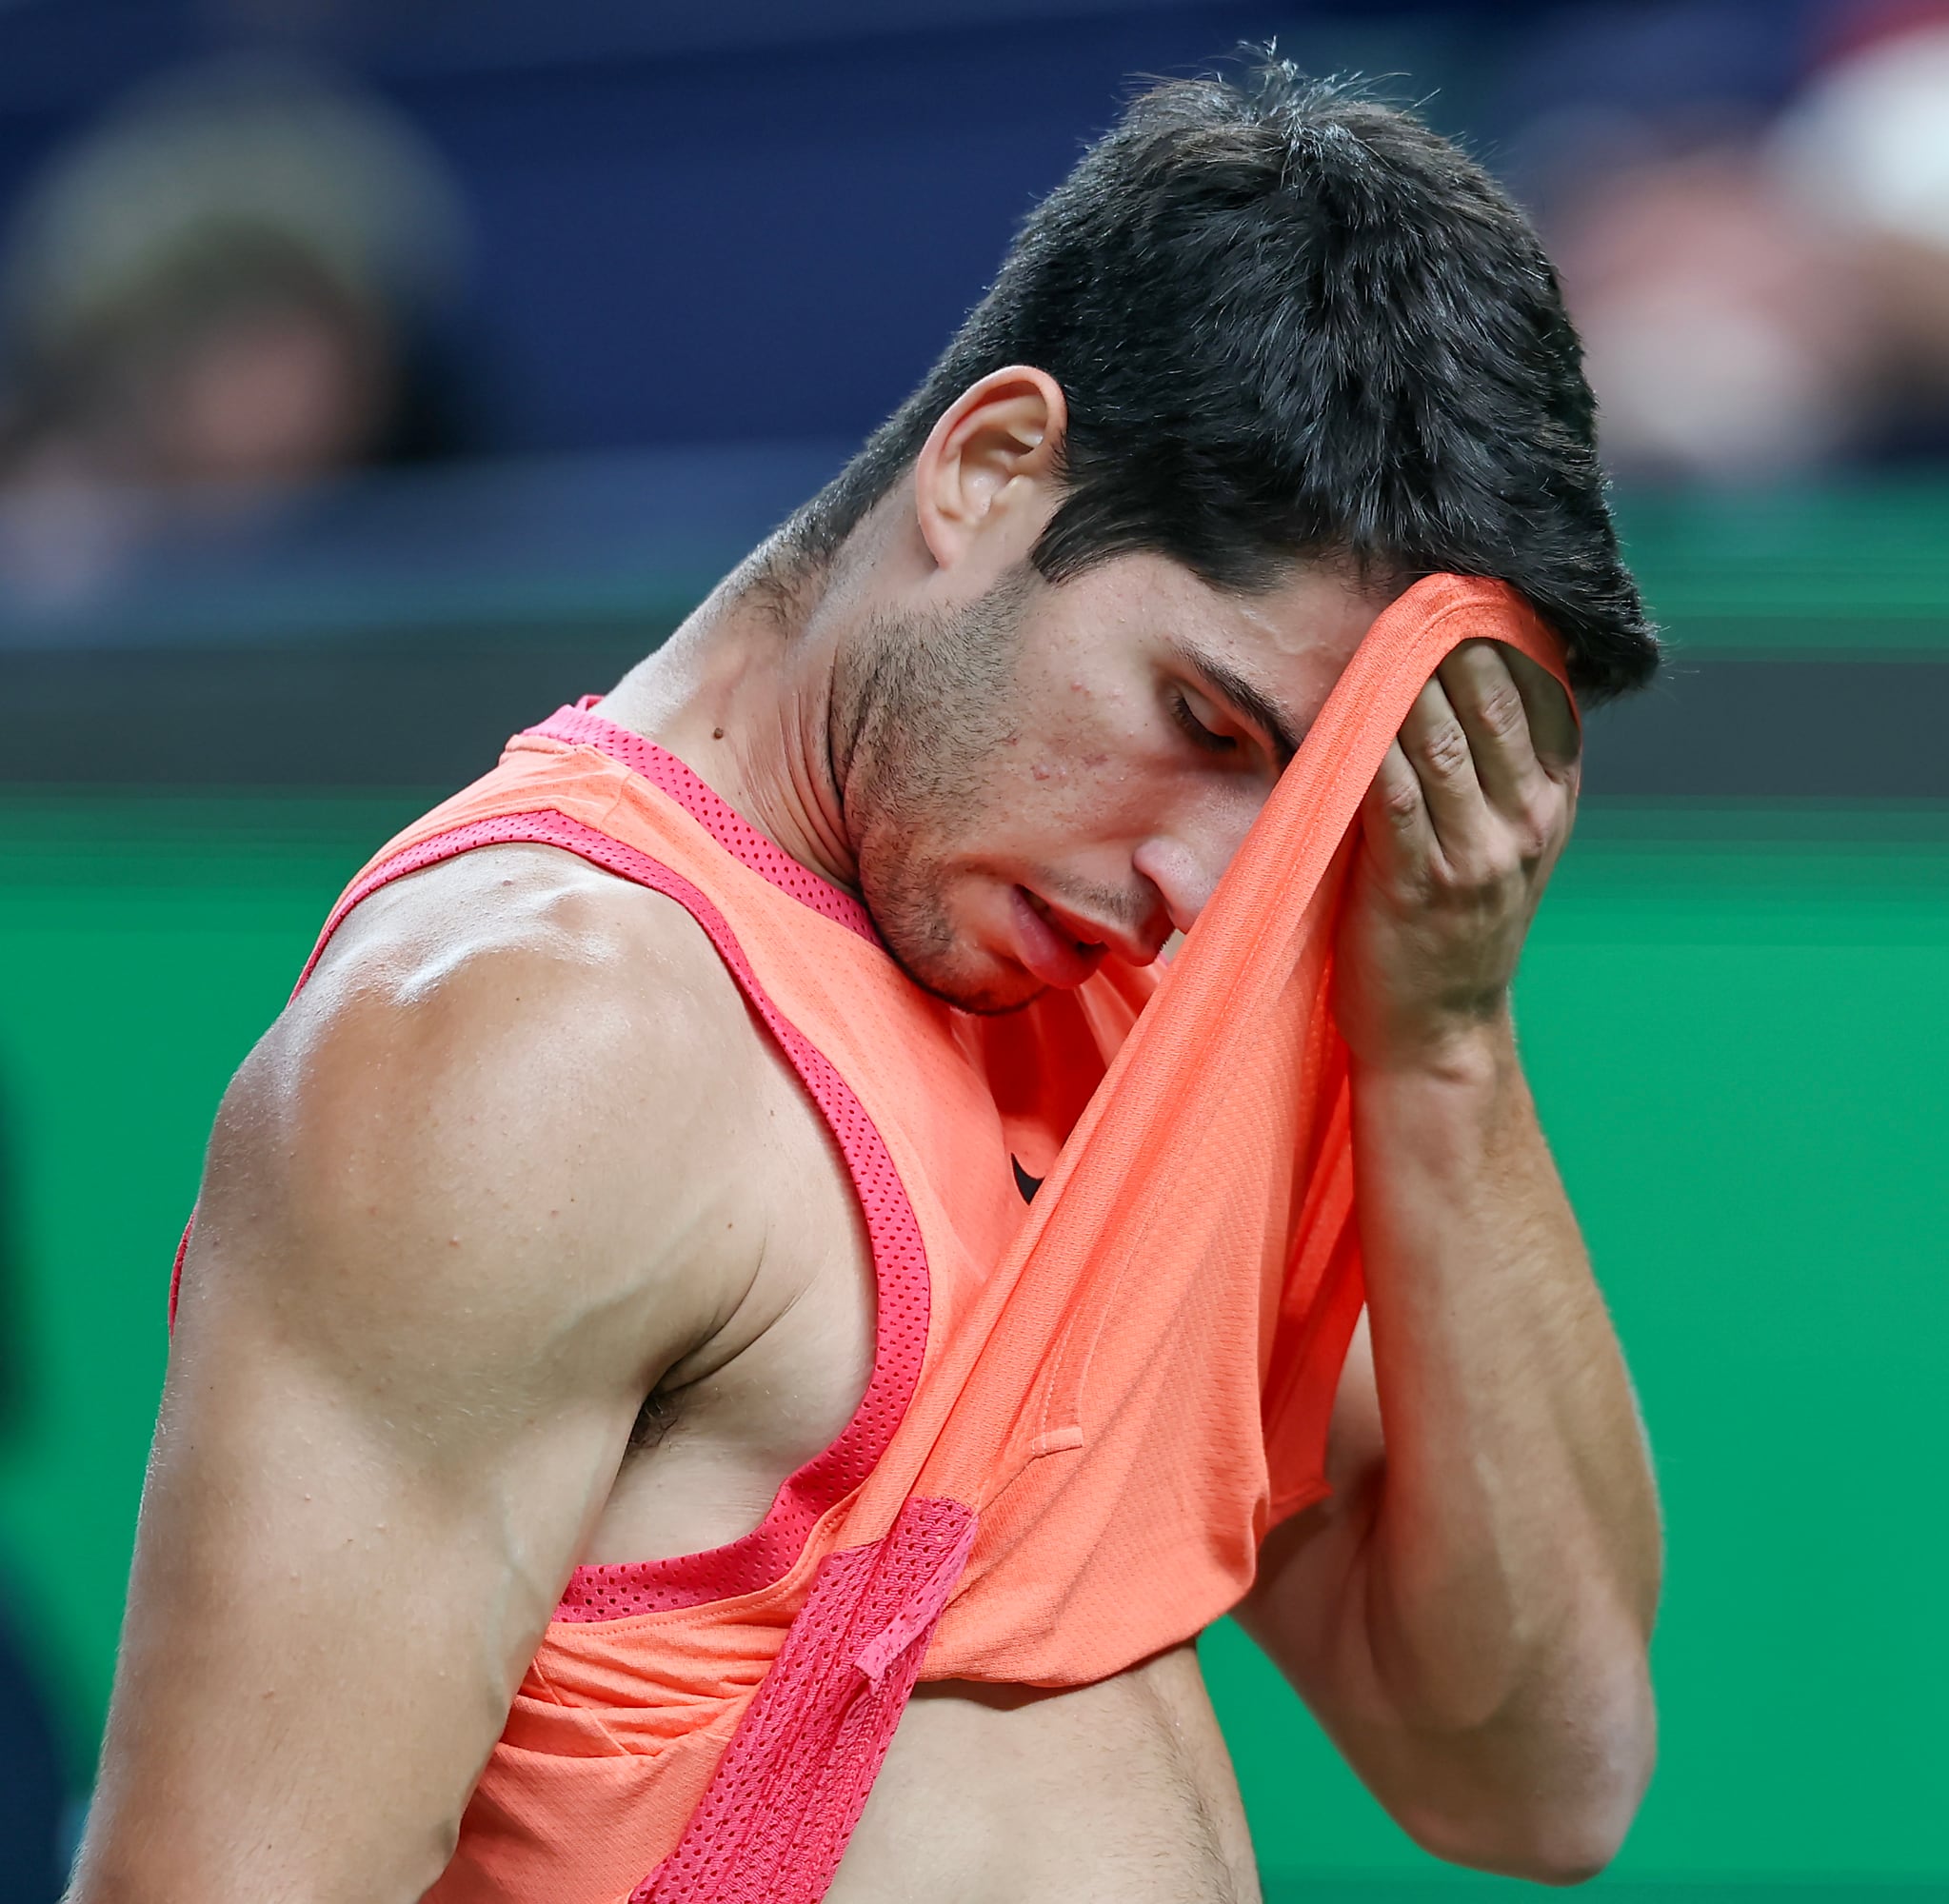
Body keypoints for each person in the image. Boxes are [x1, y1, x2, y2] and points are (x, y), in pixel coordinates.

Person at [72, 64, 1662, 1903]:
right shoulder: (544, 1032)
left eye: (1295, 808)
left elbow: (1545, 1776)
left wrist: (1447, 1043)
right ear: (989, 472)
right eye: (1204, 719)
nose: (1205, 891)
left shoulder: (1104, 1011)